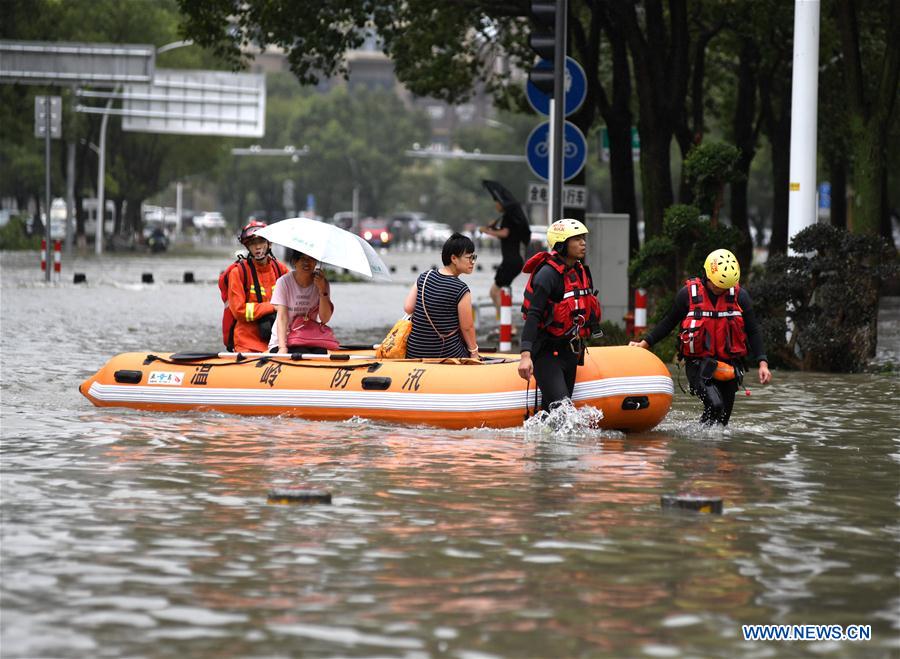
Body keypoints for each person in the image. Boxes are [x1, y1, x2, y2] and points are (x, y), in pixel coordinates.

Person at [628, 248, 772, 426]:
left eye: (726, 286)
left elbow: (753, 330)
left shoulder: (740, 297)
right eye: (719, 285)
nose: (722, 290)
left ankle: (709, 448)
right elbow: (669, 322)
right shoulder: (687, 295)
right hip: (698, 364)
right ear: (708, 276)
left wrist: (762, 363)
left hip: (730, 364)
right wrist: (644, 343)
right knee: (715, 404)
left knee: (722, 420)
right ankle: (702, 445)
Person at [517, 219, 602, 410]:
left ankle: (541, 441)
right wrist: (525, 355)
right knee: (563, 411)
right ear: (562, 244)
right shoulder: (547, 275)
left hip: (569, 352)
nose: (583, 243)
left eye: (583, 238)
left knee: (553, 412)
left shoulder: (580, 271)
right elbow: (533, 316)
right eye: (577, 239)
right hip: (546, 353)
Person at [403, 232, 479, 360]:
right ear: (454, 258)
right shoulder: (461, 289)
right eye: (469, 257)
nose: (473, 262)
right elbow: (467, 327)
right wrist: (474, 351)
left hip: (414, 351)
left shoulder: (425, 276)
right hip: (445, 352)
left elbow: (408, 308)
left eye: (474, 257)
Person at [222, 220, 288, 353]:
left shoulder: (281, 270)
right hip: (247, 344)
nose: (257, 247)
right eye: (252, 243)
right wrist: (272, 306)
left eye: (261, 242)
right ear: (247, 246)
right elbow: (239, 311)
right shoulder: (239, 273)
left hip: (277, 341)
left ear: (269, 243)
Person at [270, 249, 333, 354]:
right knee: (301, 352)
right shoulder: (283, 282)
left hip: (308, 339)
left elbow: (325, 319)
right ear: (295, 261)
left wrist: (322, 290)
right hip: (283, 340)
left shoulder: (322, 283)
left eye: (311, 259)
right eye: (302, 258)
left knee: (321, 352)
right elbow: (282, 317)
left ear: (316, 262)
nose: (307, 263)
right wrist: (282, 347)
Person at [480, 200, 529, 316]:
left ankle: (508, 325)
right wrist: (493, 228)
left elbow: (505, 233)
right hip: (515, 261)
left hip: (510, 262)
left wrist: (487, 230)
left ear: (503, 204)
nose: (496, 205)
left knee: (494, 292)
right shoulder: (512, 220)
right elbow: (507, 236)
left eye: (497, 203)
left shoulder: (508, 218)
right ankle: (505, 325)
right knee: (503, 291)